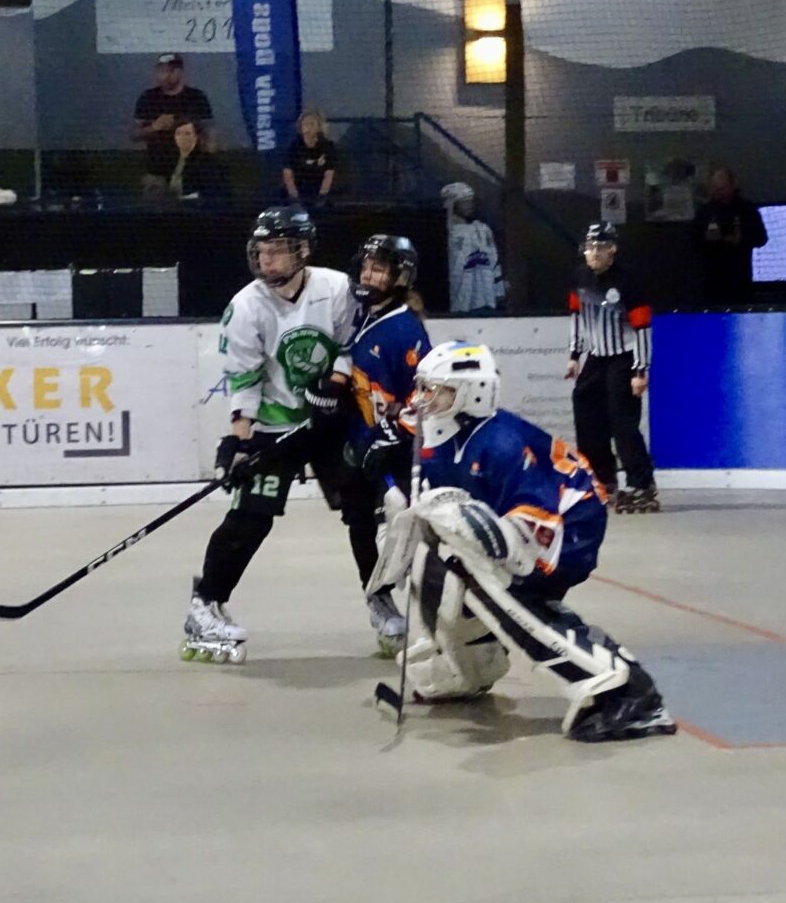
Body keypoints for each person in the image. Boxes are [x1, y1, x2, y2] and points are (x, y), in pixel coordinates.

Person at [379, 340, 677, 743]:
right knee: (433, 565)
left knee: (500, 586)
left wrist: (473, 534)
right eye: (423, 387)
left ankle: (627, 690)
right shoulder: (442, 430)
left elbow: (529, 529)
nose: (423, 398)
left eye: (436, 389)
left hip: (570, 523)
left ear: (471, 393)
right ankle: (471, 664)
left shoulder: (501, 443)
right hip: (526, 521)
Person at [181, 205, 358, 662]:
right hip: (277, 424)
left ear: (302, 250)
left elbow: (349, 343)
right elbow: (245, 380)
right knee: (250, 518)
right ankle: (205, 605)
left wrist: (335, 384)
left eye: (277, 250)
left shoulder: (336, 288)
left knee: (365, 511)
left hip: (330, 420)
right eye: (261, 251)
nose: (266, 260)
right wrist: (240, 442)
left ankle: (382, 602)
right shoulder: (246, 306)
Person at [338, 234, 430, 655]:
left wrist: (395, 436)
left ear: (400, 277)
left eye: (378, 269)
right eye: (366, 267)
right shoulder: (355, 315)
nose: (367, 275)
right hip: (358, 445)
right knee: (359, 524)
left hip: (396, 451)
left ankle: (436, 615)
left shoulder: (406, 330)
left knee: (406, 532)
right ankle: (378, 600)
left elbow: (424, 397)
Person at [566, 222, 658, 514]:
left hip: (623, 357)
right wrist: (574, 355)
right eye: (590, 247)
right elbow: (576, 316)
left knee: (623, 424)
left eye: (600, 247)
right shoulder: (579, 277)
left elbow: (642, 328)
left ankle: (642, 485)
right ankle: (602, 479)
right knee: (586, 415)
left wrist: (640, 371)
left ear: (613, 249)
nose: (594, 252)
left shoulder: (629, 281)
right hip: (595, 356)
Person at [131, 54, 213, 196]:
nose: (164, 76)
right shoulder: (148, 98)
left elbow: (210, 134)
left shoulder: (196, 97)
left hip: (191, 170)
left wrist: (208, 158)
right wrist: (154, 127)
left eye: (169, 71)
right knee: (154, 205)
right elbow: (133, 135)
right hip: (157, 170)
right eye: (161, 71)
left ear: (179, 72)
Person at [691, 167, 768, 306]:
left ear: (732, 186)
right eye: (715, 189)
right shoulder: (705, 212)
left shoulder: (747, 210)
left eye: (722, 189)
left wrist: (742, 239)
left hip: (740, 277)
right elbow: (692, 243)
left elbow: (761, 238)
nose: (719, 193)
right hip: (712, 279)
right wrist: (707, 239)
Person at [441, 182, 505, 314]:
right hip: (460, 304)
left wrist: (499, 290)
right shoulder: (448, 233)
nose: (469, 205)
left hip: (487, 300)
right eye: (464, 202)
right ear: (453, 204)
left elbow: (494, 260)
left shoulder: (483, 229)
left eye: (470, 201)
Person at [282, 108, 338, 207]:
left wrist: (322, 196)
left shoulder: (328, 146)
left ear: (319, 127)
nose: (308, 127)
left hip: (320, 190)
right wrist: (294, 197)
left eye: (312, 124)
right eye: (305, 124)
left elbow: (329, 174)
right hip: (299, 190)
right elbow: (287, 174)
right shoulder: (294, 146)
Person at [165, 120, 226, 202]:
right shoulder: (171, 160)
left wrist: (181, 199)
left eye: (187, 133)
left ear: (196, 137)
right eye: (178, 133)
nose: (182, 137)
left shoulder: (205, 162)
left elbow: (212, 195)